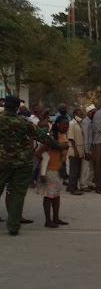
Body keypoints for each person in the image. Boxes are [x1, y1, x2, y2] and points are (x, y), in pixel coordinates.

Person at [0, 96, 64, 235]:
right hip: (21, 163)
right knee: (17, 195)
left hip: (2, 162)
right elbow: (41, 136)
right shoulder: (22, 121)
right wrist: (57, 145)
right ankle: (13, 226)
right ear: (17, 108)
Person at [35, 116, 71, 228]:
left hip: (58, 169)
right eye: (63, 124)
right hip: (49, 170)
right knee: (48, 196)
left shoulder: (62, 136)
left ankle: (56, 218)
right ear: (57, 125)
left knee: (56, 195)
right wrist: (44, 165)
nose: (65, 126)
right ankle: (48, 220)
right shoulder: (50, 138)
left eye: (67, 124)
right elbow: (38, 153)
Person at [66, 108, 85, 195]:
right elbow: (71, 138)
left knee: (77, 171)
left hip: (80, 150)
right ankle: (73, 188)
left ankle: (70, 186)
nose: (81, 116)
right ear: (74, 115)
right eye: (79, 115)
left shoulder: (79, 124)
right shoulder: (72, 124)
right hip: (74, 151)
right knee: (74, 171)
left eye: (82, 115)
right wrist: (76, 150)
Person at [80, 104, 97, 191]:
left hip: (93, 147)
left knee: (92, 168)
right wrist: (86, 151)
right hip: (87, 148)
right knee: (85, 168)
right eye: (94, 112)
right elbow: (85, 137)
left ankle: (89, 182)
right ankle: (83, 185)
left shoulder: (93, 122)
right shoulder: (85, 122)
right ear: (89, 113)